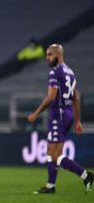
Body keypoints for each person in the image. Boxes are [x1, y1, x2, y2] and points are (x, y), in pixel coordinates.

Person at [28, 44, 93, 194]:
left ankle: (85, 175)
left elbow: (51, 97)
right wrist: (77, 120)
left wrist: (36, 113)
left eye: (50, 54)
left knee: (56, 156)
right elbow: (76, 97)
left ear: (59, 55)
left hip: (59, 115)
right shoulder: (70, 72)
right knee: (51, 152)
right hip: (67, 114)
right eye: (46, 55)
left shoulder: (55, 73)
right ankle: (50, 186)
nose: (47, 58)